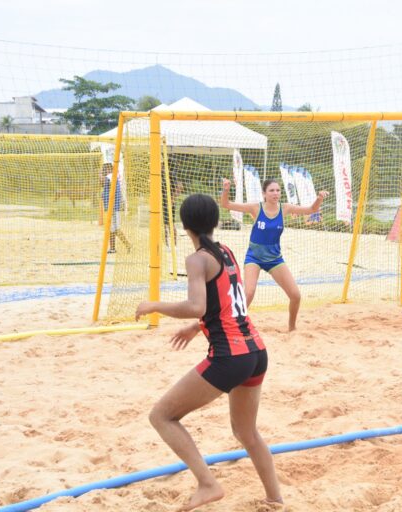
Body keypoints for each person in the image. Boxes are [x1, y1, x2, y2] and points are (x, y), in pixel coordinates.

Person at [135, 193, 283, 510]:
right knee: (247, 433)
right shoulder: (226, 252)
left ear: (184, 225)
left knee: (161, 416)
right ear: (214, 222)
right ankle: (275, 499)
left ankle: (208, 483)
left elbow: (196, 305)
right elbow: (231, 305)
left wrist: (154, 306)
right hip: (256, 352)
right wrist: (198, 327)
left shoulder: (198, 258)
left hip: (230, 358)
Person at [221, 177, 329, 332]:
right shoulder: (256, 208)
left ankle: (292, 328)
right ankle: (234, 325)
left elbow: (311, 210)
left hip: (275, 258)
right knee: (249, 292)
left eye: (278, 190)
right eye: (271, 190)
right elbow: (226, 204)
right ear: (264, 193)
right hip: (254, 257)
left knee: (295, 295)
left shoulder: (285, 208)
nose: (275, 193)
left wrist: (319, 199)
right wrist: (226, 189)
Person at [102, 163, 131, 254]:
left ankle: (128, 245)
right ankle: (112, 248)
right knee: (111, 229)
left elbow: (102, 182)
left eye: (104, 169)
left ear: (108, 169)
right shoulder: (112, 176)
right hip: (111, 207)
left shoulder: (110, 176)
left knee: (116, 229)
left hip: (113, 207)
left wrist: (99, 174)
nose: (103, 171)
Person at [162, 164, 185, 246]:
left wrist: (172, 199)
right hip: (161, 202)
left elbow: (180, 186)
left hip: (169, 203)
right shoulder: (160, 173)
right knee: (163, 224)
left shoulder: (171, 174)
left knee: (170, 224)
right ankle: (166, 244)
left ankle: (174, 245)